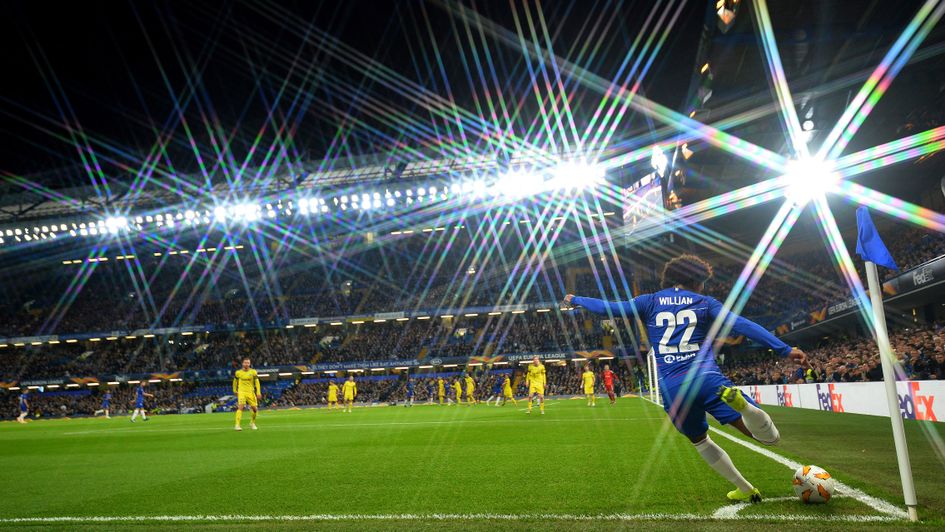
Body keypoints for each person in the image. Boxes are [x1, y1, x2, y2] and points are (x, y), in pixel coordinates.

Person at [565, 254, 808, 503]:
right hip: (707, 379)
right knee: (770, 439)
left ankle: (745, 489)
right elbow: (740, 324)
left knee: (700, 440)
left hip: (672, 388)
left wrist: (577, 300)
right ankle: (744, 406)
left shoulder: (648, 301)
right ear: (697, 280)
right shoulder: (705, 302)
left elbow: (611, 308)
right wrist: (785, 349)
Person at [233, 357, 261, 431]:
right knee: (241, 407)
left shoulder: (253, 372)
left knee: (255, 409)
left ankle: (252, 423)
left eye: (248, 363)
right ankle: (237, 425)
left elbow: (257, 382)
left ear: (250, 364)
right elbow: (235, 381)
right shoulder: (238, 372)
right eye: (245, 362)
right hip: (241, 392)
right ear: (242, 363)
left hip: (250, 392)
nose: (246, 364)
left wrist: (258, 392)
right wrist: (234, 390)